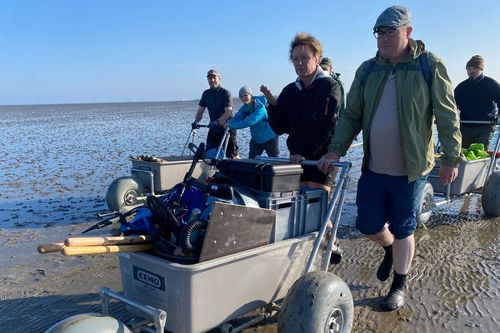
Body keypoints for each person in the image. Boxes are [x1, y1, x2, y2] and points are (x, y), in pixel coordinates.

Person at [318, 5, 462, 311]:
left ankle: (399, 285)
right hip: (374, 166)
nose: (382, 38)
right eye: (379, 32)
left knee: (403, 228)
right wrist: (335, 149)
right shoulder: (368, 69)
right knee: (367, 223)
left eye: (389, 32)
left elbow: (448, 115)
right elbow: (351, 115)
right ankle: (389, 250)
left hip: (410, 171)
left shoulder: (428, 65)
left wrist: (451, 157)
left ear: (408, 32)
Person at [261, 32, 341, 190]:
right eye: (295, 59)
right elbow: (280, 128)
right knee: (297, 207)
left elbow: (326, 125)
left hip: (322, 159)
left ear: (316, 59)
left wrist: (305, 153)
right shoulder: (291, 90)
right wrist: (272, 106)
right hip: (297, 159)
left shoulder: (330, 87)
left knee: (319, 206)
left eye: (305, 58)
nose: (299, 63)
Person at [454, 55, 500, 149]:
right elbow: (452, 104)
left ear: (481, 69)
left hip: (485, 127)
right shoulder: (461, 87)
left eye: (474, 68)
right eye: (469, 69)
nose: (471, 71)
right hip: (465, 126)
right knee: (464, 154)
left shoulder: (492, 84)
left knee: (482, 153)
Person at [194, 69, 239, 159]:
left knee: (232, 156)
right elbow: (200, 111)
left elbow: (228, 112)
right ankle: (211, 171)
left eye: (214, 77)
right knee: (210, 154)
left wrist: (217, 122)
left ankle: (241, 170)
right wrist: (195, 122)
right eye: (210, 78)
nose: (212, 80)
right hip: (214, 129)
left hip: (227, 128)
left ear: (219, 78)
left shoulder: (225, 93)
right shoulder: (206, 94)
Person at [227, 86, 279, 159]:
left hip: (270, 138)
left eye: (245, 95)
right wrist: (228, 123)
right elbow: (238, 116)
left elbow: (250, 121)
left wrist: (232, 126)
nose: (243, 97)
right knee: (251, 162)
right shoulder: (246, 106)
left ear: (251, 95)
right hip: (256, 139)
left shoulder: (261, 108)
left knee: (275, 161)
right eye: (241, 96)